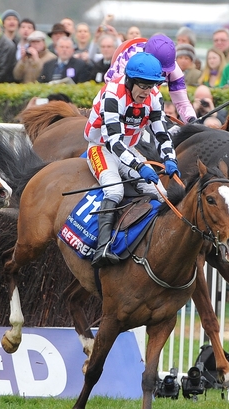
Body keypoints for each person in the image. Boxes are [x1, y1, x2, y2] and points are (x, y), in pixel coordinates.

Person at [83, 52, 178, 267]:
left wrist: (171, 159)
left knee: (160, 193)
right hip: (101, 148)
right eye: (143, 86)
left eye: (151, 86)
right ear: (130, 81)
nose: (146, 92)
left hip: (129, 149)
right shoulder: (112, 94)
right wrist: (138, 166)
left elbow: (161, 134)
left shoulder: (154, 97)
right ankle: (102, 248)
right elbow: (114, 142)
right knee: (114, 190)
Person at [106, 34, 197, 123]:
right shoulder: (129, 60)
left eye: (163, 70)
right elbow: (120, 95)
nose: (162, 73)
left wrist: (192, 120)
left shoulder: (172, 68)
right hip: (117, 88)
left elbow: (182, 102)